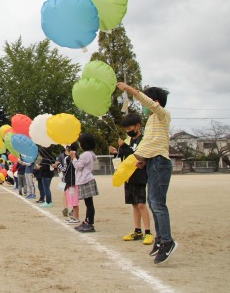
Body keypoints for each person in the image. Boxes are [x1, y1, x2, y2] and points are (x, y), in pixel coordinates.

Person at [117, 82, 177, 265]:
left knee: (157, 204)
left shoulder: (162, 114)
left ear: (155, 102)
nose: (144, 107)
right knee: (152, 202)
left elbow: (148, 102)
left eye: (147, 102)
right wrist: (142, 159)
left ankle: (167, 241)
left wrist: (129, 89)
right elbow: (149, 142)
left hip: (160, 162)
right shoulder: (152, 121)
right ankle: (160, 240)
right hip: (152, 162)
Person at [109, 113, 153, 245]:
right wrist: (116, 152)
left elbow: (136, 155)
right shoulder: (128, 141)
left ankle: (148, 232)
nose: (128, 132)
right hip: (128, 177)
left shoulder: (144, 140)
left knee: (141, 204)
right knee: (134, 205)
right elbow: (124, 157)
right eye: (126, 130)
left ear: (138, 126)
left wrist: (123, 147)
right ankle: (137, 231)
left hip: (139, 175)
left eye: (130, 129)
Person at [71, 133, 99, 233]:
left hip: (86, 180)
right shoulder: (89, 154)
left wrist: (74, 158)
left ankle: (89, 223)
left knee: (89, 203)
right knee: (88, 203)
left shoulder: (86, 154)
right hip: (86, 179)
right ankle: (87, 221)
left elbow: (78, 166)